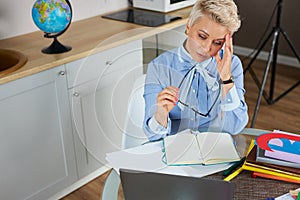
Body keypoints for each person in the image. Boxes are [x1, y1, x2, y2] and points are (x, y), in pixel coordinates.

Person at [143, 0, 248, 141]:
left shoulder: (232, 65)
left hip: (215, 149)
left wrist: (226, 79)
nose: (206, 48)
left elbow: (235, 127)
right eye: (202, 36)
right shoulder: (159, 66)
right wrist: (161, 114)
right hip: (174, 150)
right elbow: (153, 136)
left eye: (217, 43)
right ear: (188, 27)